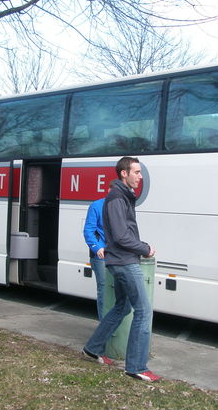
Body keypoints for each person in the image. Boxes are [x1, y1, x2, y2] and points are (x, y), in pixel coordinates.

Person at [82, 156, 161, 382]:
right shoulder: (117, 198)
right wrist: (144, 248)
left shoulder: (123, 197)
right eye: (136, 172)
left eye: (140, 172)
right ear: (124, 173)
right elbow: (121, 235)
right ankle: (136, 366)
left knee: (122, 307)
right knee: (144, 310)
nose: (140, 176)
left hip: (119, 260)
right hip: (125, 262)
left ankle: (93, 348)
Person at [83, 183, 113, 319]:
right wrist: (97, 248)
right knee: (105, 290)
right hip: (101, 255)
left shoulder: (123, 207)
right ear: (109, 191)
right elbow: (88, 230)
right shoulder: (96, 206)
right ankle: (104, 326)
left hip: (117, 254)